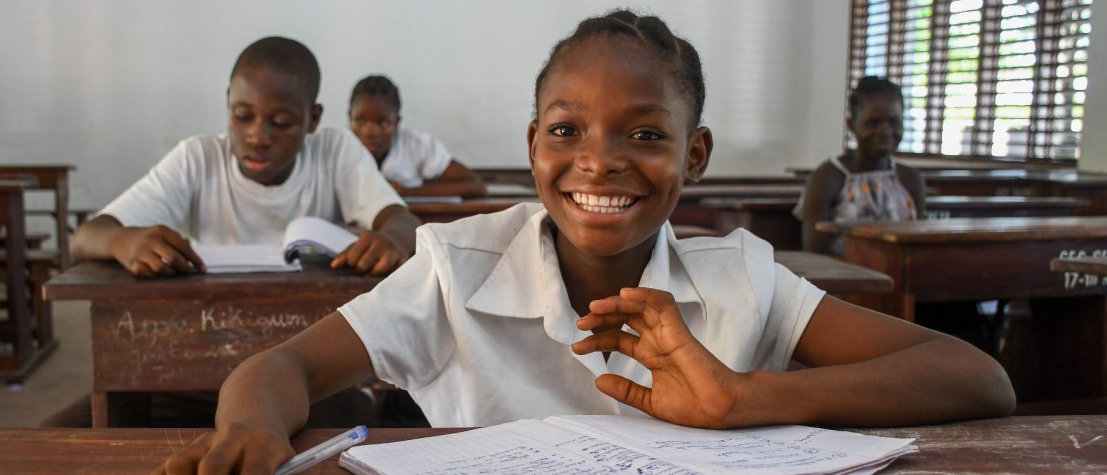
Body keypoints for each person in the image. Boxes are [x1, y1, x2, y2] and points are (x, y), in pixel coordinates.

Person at [155, 12, 1014, 474]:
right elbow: (280, 370)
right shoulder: (458, 267)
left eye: (645, 134)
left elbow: (979, 377)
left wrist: (741, 400)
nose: (598, 160)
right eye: (567, 130)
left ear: (695, 155)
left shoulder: (740, 275)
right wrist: (254, 427)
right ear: (534, 145)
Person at [72, 37, 420, 278]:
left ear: (312, 119)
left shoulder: (335, 151)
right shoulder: (198, 158)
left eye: (280, 123)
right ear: (228, 104)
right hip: (206, 324)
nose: (257, 137)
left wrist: (391, 241)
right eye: (242, 116)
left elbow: (405, 223)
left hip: (307, 333)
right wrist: (124, 241)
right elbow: (85, 238)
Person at [794, 76, 928, 255]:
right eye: (873, 123)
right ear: (852, 125)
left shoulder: (910, 179)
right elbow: (815, 255)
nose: (885, 131)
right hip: (843, 279)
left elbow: (919, 246)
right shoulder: (827, 179)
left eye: (893, 122)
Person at [348, 75, 488, 198]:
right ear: (350, 118)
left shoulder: (416, 145)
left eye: (383, 123)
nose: (370, 132)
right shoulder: (339, 148)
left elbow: (476, 186)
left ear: (397, 122)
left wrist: (408, 192)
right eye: (360, 121)